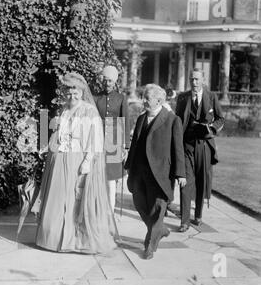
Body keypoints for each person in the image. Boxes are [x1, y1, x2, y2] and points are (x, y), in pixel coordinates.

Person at [35, 72, 118, 254]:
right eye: (69, 93)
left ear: (82, 92)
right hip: (59, 161)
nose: (72, 96)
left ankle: (75, 240)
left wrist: (88, 161)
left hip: (76, 160)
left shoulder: (88, 111)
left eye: (75, 93)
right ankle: (54, 239)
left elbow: (95, 139)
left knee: (74, 200)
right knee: (57, 200)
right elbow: (58, 134)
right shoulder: (63, 110)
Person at [124, 84, 186, 259]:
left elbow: (178, 149)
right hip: (139, 171)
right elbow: (135, 144)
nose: (143, 100)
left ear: (159, 100)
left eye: (147, 98)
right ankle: (160, 230)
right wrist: (128, 165)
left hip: (161, 174)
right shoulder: (142, 118)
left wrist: (180, 173)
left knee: (158, 209)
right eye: (143, 97)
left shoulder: (173, 120)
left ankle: (149, 246)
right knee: (140, 203)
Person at [175, 68, 225, 232]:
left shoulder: (212, 97)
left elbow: (220, 119)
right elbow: (177, 120)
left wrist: (212, 128)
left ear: (203, 80)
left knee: (201, 180)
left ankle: (198, 215)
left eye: (197, 79)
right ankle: (184, 221)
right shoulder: (183, 98)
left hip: (204, 146)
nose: (194, 83)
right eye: (191, 79)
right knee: (185, 182)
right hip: (187, 145)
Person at [93, 66, 130, 213]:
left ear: (115, 82)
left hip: (114, 140)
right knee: (98, 175)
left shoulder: (121, 99)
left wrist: (125, 146)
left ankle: (110, 211)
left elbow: (125, 122)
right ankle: (99, 209)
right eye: (105, 80)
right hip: (98, 139)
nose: (107, 83)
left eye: (110, 81)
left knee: (111, 179)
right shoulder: (97, 98)